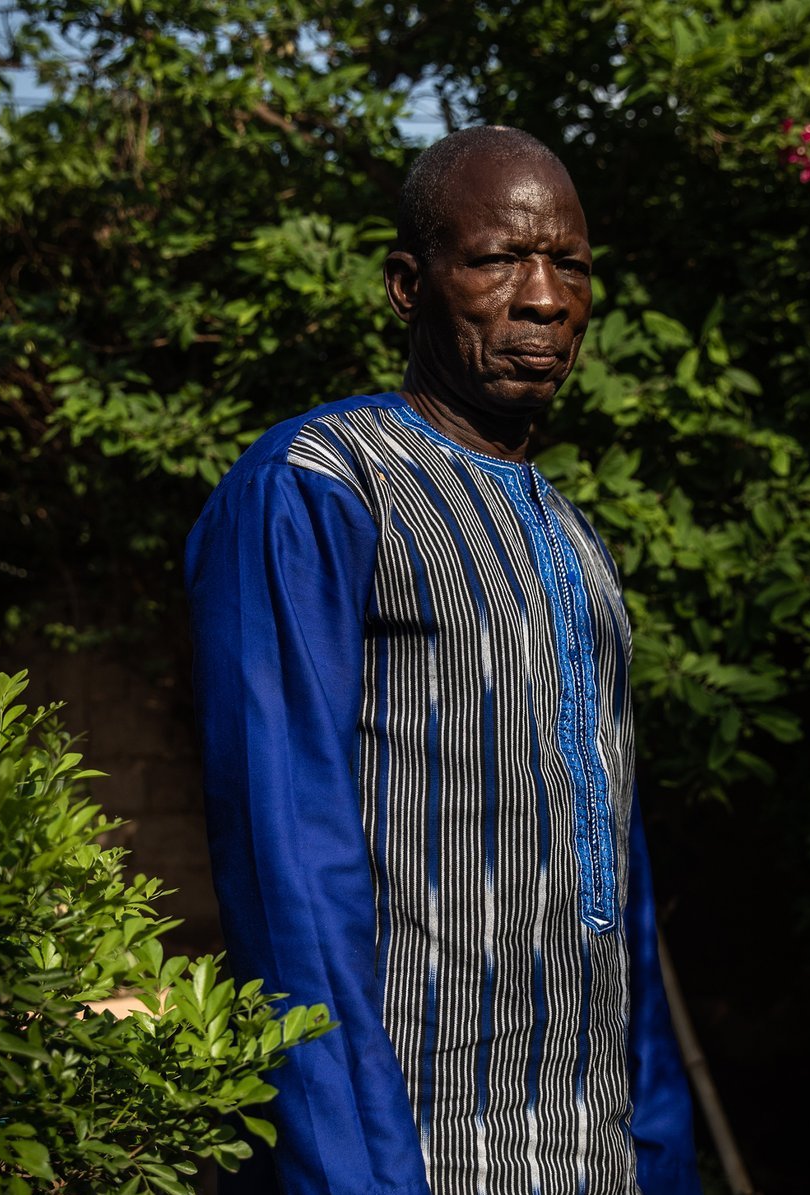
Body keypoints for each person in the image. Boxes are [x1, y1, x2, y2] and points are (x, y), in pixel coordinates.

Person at [186, 126, 699, 1195]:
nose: (544, 297)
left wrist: (660, 1150)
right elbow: (286, 862)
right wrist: (352, 1171)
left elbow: (623, 879)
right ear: (407, 286)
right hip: (419, 1147)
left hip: (597, 1150)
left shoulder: (574, 539)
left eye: (571, 264)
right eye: (498, 258)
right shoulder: (322, 484)